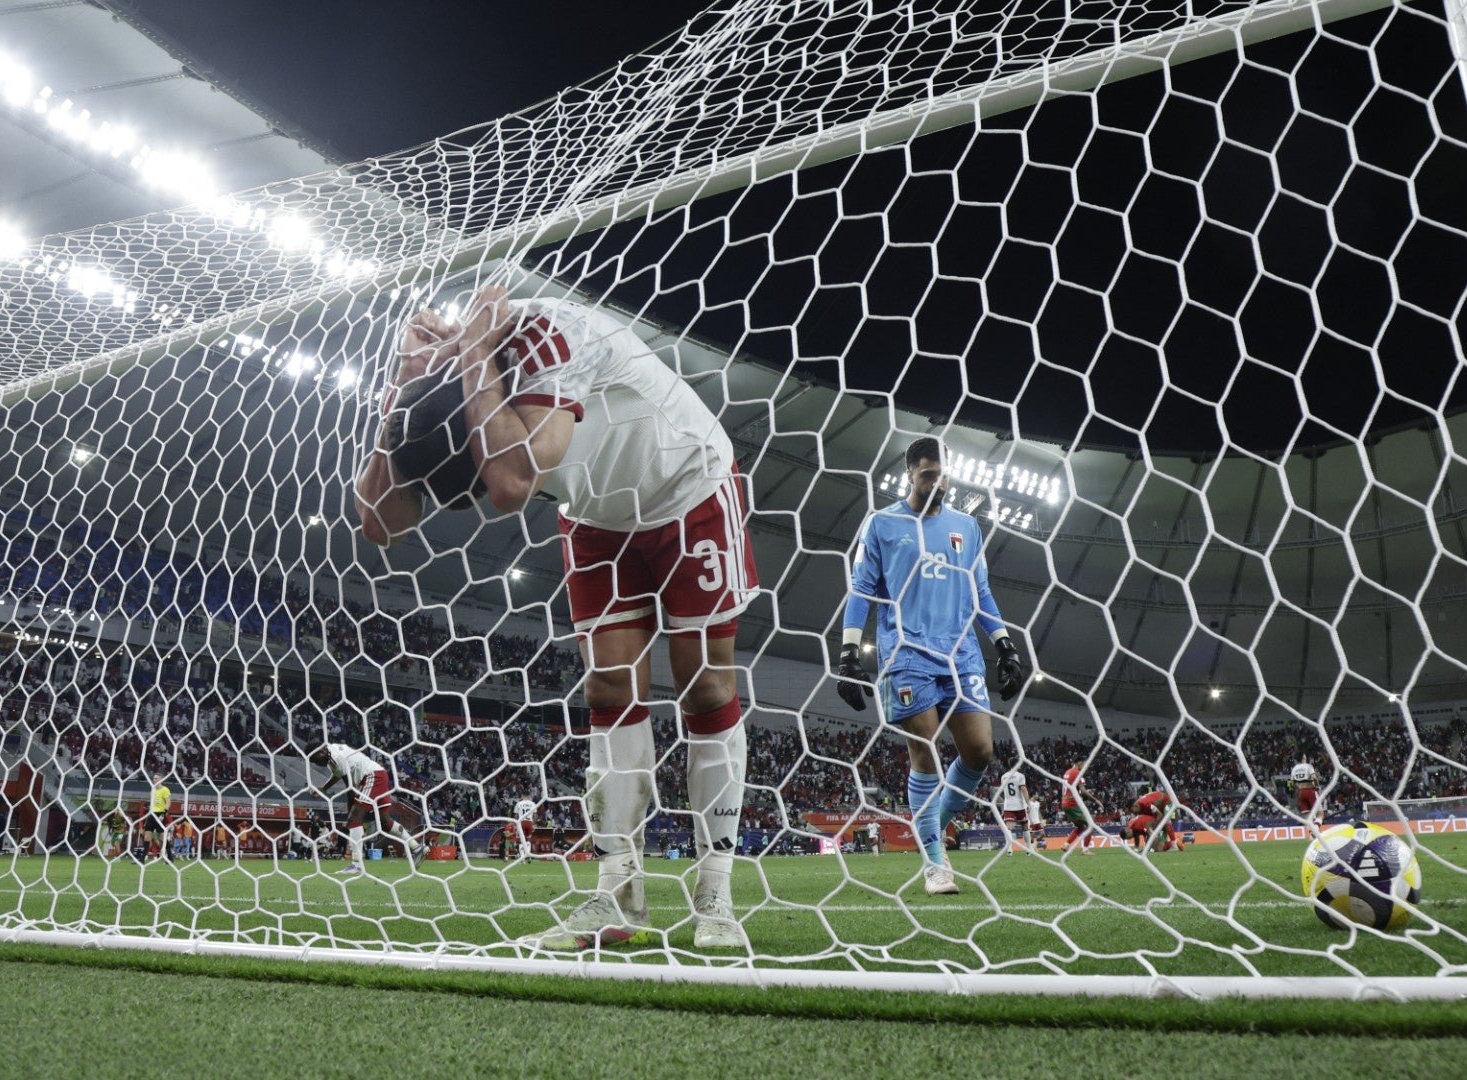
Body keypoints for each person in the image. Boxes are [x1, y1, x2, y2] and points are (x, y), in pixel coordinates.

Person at [353, 283, 759, 950]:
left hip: (688, 483)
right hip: (597, 516)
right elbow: (380, 521)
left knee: (705, 685)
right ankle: (618, 895)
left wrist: (476, 347)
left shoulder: (545, 335)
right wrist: (405, 380)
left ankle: (715, 888)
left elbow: (512, 482)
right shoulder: (443, 375)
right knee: (607, 685)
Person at [835, 436, 1026, 895]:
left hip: (960, 653)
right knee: (925, 750)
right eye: (927, 474)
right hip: (907, 653)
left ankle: (929, 832)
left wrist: (1004, 645)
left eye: (942, 475)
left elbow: (980, 591)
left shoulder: (967, 526)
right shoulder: (883, 524)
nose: (937, 483)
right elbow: (861, 589)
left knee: (979, 751)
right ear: (909, 474)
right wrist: (848, 652)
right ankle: (936, 864)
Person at [306, 743, 429, 874]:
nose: (317, 762)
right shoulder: (331, 753)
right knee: (385, 822)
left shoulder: (337, 758)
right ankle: (417, 848)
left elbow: (350, 787)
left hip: (371, 777)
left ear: (321, 751)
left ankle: (356, 864)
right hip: (379, 775)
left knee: (354, 819)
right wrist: (324, 788)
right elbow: (339, 772)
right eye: (314, 761)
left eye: (316, 758)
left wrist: (351, 810)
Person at [1058, 758, 1093, 854]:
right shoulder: (1077, 773)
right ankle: (1085, 850)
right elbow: (1083, 790)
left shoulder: (1067, 772)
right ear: (1079, 763)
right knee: (1090, 824)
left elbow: (1071, 790)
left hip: (1064, 803)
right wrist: (1095, 799)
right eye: (1083, 764)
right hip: (1072, 803)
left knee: (1080, 827)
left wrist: (1081, 793)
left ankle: (1066, 845)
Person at [996, 766, 1029, 854]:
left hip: (1008, 805)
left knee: (1009, 827)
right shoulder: (1020, 776)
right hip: (1019, 805)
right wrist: (1028, 804)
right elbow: (1024, 789)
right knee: (1025, 827)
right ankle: (1028, 848)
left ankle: (1009, 849)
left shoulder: (1004, 776)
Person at [1290, 761, 1324, 831]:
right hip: (1310, 791)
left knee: (1308, 815)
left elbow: (1292, 783)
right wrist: (1318, 786)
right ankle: (1315, 830)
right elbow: (1314, 777)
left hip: (1301, 792)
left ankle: (1311, 832)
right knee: (1320, 814)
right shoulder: (1308, 766)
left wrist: (1299, 787)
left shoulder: (1294, 768)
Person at [144, 777, 171, 860]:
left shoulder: (165, 789)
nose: (153, 779)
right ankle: (142, 858)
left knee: (162, 837)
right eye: (153, 778)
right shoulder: (152, 790)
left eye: (156, 778)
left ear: (160, 780)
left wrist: (163, 814)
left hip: (160, 815)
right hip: (152, 814)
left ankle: (170, 856)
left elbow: (168, 803)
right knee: (147, 837)